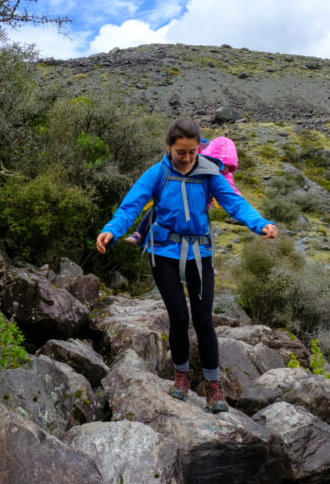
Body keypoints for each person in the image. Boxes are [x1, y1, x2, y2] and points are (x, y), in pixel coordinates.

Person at [96, 117, 278, 413]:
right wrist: (112, 230)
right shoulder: (156, 175)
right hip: (164, 253)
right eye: (181, 152)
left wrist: (261, 224)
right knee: (179, 317)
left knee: (205, 321)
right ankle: (181, 377)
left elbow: (235, 202)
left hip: (200, 253)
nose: (187, 158)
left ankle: (213, 386)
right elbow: (130, 207)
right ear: (168, 147)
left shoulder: (209, 173)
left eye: (193, 152)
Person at [125, 135, 242, 245]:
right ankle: (140, 234)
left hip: (200, 206)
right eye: (221, 164)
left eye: (228, 166)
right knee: (159, 207)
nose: (224, 168)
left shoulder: (225, 174)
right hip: (179, 192)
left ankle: (204, 263)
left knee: (198, 231)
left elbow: (231, 191)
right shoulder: (197, 157)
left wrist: (238, 198)